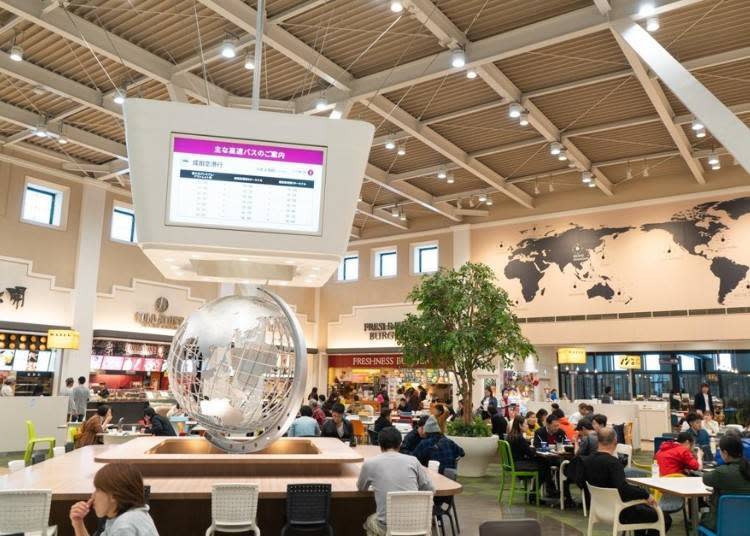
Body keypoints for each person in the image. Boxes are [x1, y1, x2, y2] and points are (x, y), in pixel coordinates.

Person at [584, 427, 671, 536]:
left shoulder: (588, 460)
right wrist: (645, 495)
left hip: (600, 510)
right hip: (621, 511)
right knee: (664, 517)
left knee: (644, 512)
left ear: (598, 440)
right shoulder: (613, 463)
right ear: (615, 441)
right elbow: (623, 489)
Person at [357, 426, 434, 536]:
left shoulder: (370, 463)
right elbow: (430, 489)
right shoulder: (413, 461)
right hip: (417, 525)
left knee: (370, 521)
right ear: (400, 444)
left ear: (380, 444)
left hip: (387, 528)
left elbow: (361, 488)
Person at [69, 463, 158, 536]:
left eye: (97, 490)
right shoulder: (135, 515)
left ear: (113, 496)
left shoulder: (124, 526)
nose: (93, 496)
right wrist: (78, 523)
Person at [701, 435, 750, 532]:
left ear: (725, 453)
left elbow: (705, 478)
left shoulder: (721, 472)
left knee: (703, 518)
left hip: (722, 524)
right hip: (747, 526)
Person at [506, 415, 546, 499]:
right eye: (525, 424)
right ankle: (534, 495)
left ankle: (537, 493)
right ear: (520, 425)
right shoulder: (519, 438)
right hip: (519, 465)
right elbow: (530, 453)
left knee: (542, 464)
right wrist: (535, 449)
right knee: (544, 466)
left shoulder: (510, 435)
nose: (527, 426)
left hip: (513, 463)